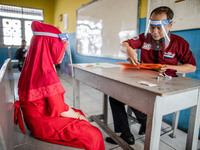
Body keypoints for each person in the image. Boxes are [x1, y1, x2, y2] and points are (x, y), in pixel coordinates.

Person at [106, 6, 196, 145]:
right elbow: (123, 45)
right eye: (152, 26)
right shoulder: (145, 38)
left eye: (159, 27)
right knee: (116, 95)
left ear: (170, 24)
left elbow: (191, 67)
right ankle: (126, 133)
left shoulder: (179, 43)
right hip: (143, 81)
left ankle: (146, 121)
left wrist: (170, 67)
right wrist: (128, 49)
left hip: (166, 84)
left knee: (136, 97)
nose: (154, 32)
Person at [14, 21, 105, 150]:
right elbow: (60, 109)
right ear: (49, 46)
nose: (62, 52)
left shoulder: (30, 65)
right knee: (94, 134)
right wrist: (80, 117)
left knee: (77, 113)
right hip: (42, 124)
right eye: (60, 47)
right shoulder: (46, 72)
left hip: (32, 120)